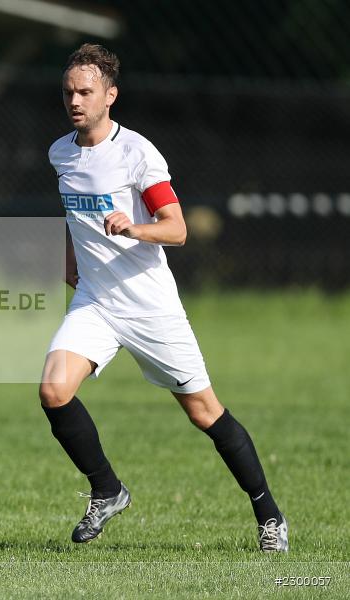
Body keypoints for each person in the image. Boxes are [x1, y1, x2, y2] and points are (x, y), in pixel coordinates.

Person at [39, 44, 287, 552]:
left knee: (203, 411)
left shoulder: (137, 154)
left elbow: (177, 230)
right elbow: (75, 217)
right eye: (68, 91)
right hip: (95, 301)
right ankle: (107, 490)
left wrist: (135, 228)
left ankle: (269, 515)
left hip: (149, 306)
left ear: (111, 95)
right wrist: (70, 263)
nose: (74, 100)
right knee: (53, 391)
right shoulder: (60, 152)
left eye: (85, 92)